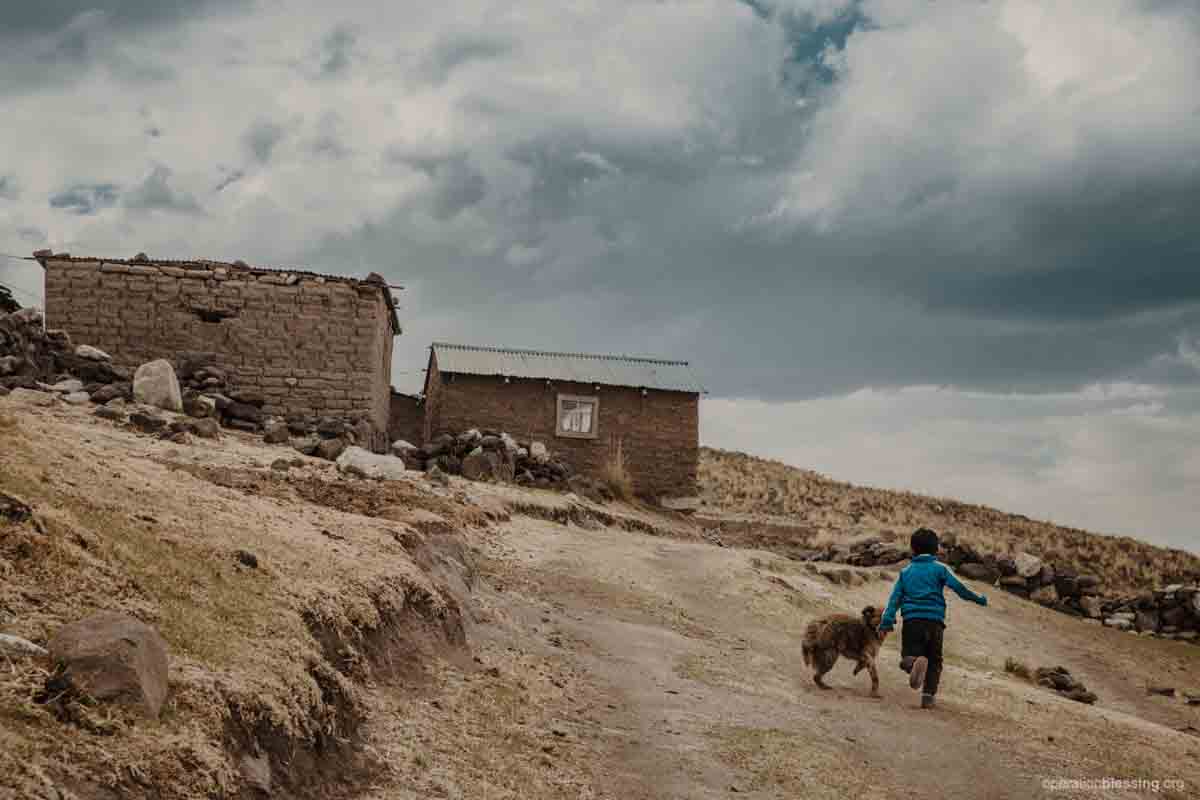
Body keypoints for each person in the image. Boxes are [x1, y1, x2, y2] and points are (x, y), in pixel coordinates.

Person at [878, 528, 988, 709]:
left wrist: (886, 621)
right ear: (936, 550)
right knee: (935, 661)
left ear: (912, 549)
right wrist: (979, 599)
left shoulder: (905, 572)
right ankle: (928, 697)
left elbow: (894, 600)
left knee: (907, 656)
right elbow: (961, 588)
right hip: (935, 622)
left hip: (912, 621)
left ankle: (913, 663)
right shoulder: (940, 569)